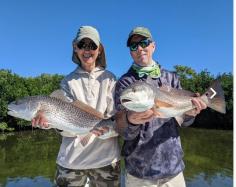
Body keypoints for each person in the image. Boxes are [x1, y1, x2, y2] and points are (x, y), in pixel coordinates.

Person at [114, 26, 207, 187]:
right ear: (130, 52)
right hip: (139, 173)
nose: (140, 48)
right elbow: (123, 131)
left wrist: (191, 113)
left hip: (173, 170)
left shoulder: (171, 78)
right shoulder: (125, 83)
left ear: (153, 46)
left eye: (144, 43)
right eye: (134, 46)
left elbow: (183, 122)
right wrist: (131, 120)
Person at [32, 26, 120, 187]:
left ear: (99, 50)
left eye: (92, 46)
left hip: (106, 161)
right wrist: (50, 123)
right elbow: (62, 125)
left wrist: (108, 129)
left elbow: (116, 120)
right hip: (71, 162)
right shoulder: (66, 82)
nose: (87, 50)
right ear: (75, 48)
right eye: (82, 45)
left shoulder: (111, 79)